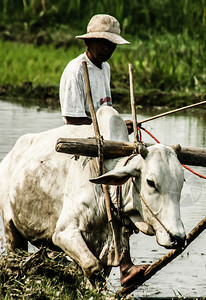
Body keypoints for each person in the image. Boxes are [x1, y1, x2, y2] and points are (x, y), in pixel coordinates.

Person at [59, 14, 145, 286]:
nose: (110, 49)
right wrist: (107, 130)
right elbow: (73, 121)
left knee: (133, 178)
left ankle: (121, 263)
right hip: (84, 145)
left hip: (104, 141)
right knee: (117, 191)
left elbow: (105, 112)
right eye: (105, 44)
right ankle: (124, 265)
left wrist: (120, 125)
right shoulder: (75, 70)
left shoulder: (104, 69)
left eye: (113, 45)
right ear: (91, 41)